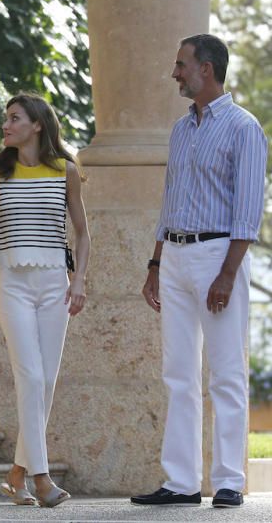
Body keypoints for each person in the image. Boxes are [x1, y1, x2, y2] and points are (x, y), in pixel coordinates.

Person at [132, 34, 267, 509]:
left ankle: (229, 479)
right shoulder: (180, 130)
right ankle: (181, 482)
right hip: (174, 257)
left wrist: (228, 275)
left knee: (226, 371)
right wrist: (154, 263)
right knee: (178, 373)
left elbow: (248, 211)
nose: (175, 73)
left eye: (181, 64)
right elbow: (169, 203)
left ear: (205, 69)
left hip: (218, 257)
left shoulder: (244, 128)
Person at [0, 94, 90, 508]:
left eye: (14, 119)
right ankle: (41, 478)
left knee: (45, 382)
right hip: (10, 281)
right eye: (6, 119)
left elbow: (82, 232)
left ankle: (15, 476)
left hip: (55, 285)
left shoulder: (65, 171)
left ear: (37, 126)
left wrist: (79, 279)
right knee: (29, 376)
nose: (6, 125)